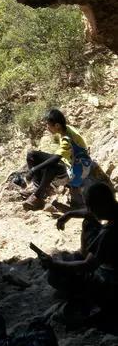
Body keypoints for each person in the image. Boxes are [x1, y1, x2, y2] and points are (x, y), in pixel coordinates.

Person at [37, 183, 118, 317]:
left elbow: (87, 266)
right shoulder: (113, 209)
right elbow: (90, 213)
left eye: (90, 207)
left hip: (111, 282)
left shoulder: (108, 234)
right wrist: (69, 214)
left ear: (100, 206)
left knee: (55, 276)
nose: (88, 210)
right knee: (88, 220)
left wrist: (55, 264)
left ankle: (85, 298)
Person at [23, 108, 92, 211]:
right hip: (70, 162)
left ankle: (38, 197)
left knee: (52, 166)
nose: (47, 128)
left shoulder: (67, 138)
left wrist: (34, 170)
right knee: (31, 155)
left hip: (78, 170)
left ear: (57, 126)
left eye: (48, 125)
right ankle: (39, 187)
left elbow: (56, 158)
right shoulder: (66, 129)